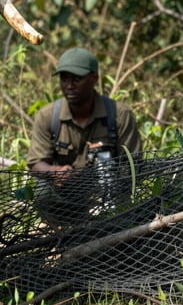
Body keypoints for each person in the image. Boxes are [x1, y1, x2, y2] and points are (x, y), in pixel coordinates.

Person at [26, 47, 142, 222]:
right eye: (64, 79)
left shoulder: (119, 115)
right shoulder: (48, 116)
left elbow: (136, 165)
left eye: (77, 79)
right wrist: (55, 172)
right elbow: (36, 163)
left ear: (94, 78)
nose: (69, 86)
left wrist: (108, 175)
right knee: (42, 190)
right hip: (65, 194)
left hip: (108, 193)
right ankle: (59, 232)